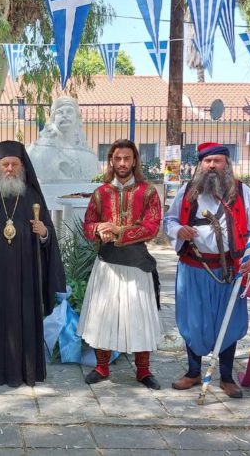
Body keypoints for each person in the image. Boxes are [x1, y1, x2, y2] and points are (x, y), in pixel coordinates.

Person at [0, 141, 66, 387]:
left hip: (25, 276)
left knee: (24, 321)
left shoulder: (32, 196)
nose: (9, 169)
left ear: (22, 167)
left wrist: (44, 232)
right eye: (5, 164)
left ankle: (26, 370)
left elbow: (48, 237)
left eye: (14, 164)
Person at [163, 142, 250, 399]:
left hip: (229, 270)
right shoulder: (187, 191)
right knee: (193, 321)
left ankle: (226, 377)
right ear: (200, 165)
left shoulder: (243, 192)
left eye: (217, 161)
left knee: (228, 321)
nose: (212, 166)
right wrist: (178, 230)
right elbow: (169, 220)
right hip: (193, 268)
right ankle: (193, 372)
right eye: (207, 161)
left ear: (227, 164)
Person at [77, 139, 164, 389]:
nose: (122, 163)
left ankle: (143, 371)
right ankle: (102, 367)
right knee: (103, 315)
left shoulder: (148, 192)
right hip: (107, 264)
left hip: (137, 265)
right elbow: (88, 224)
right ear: (111, 161)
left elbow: (152, 228)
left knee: (140, 317)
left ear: (135, 161)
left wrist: (118, 231)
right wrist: (99, 230)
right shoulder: (101, 193)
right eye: (117, 158)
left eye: (127, 158)